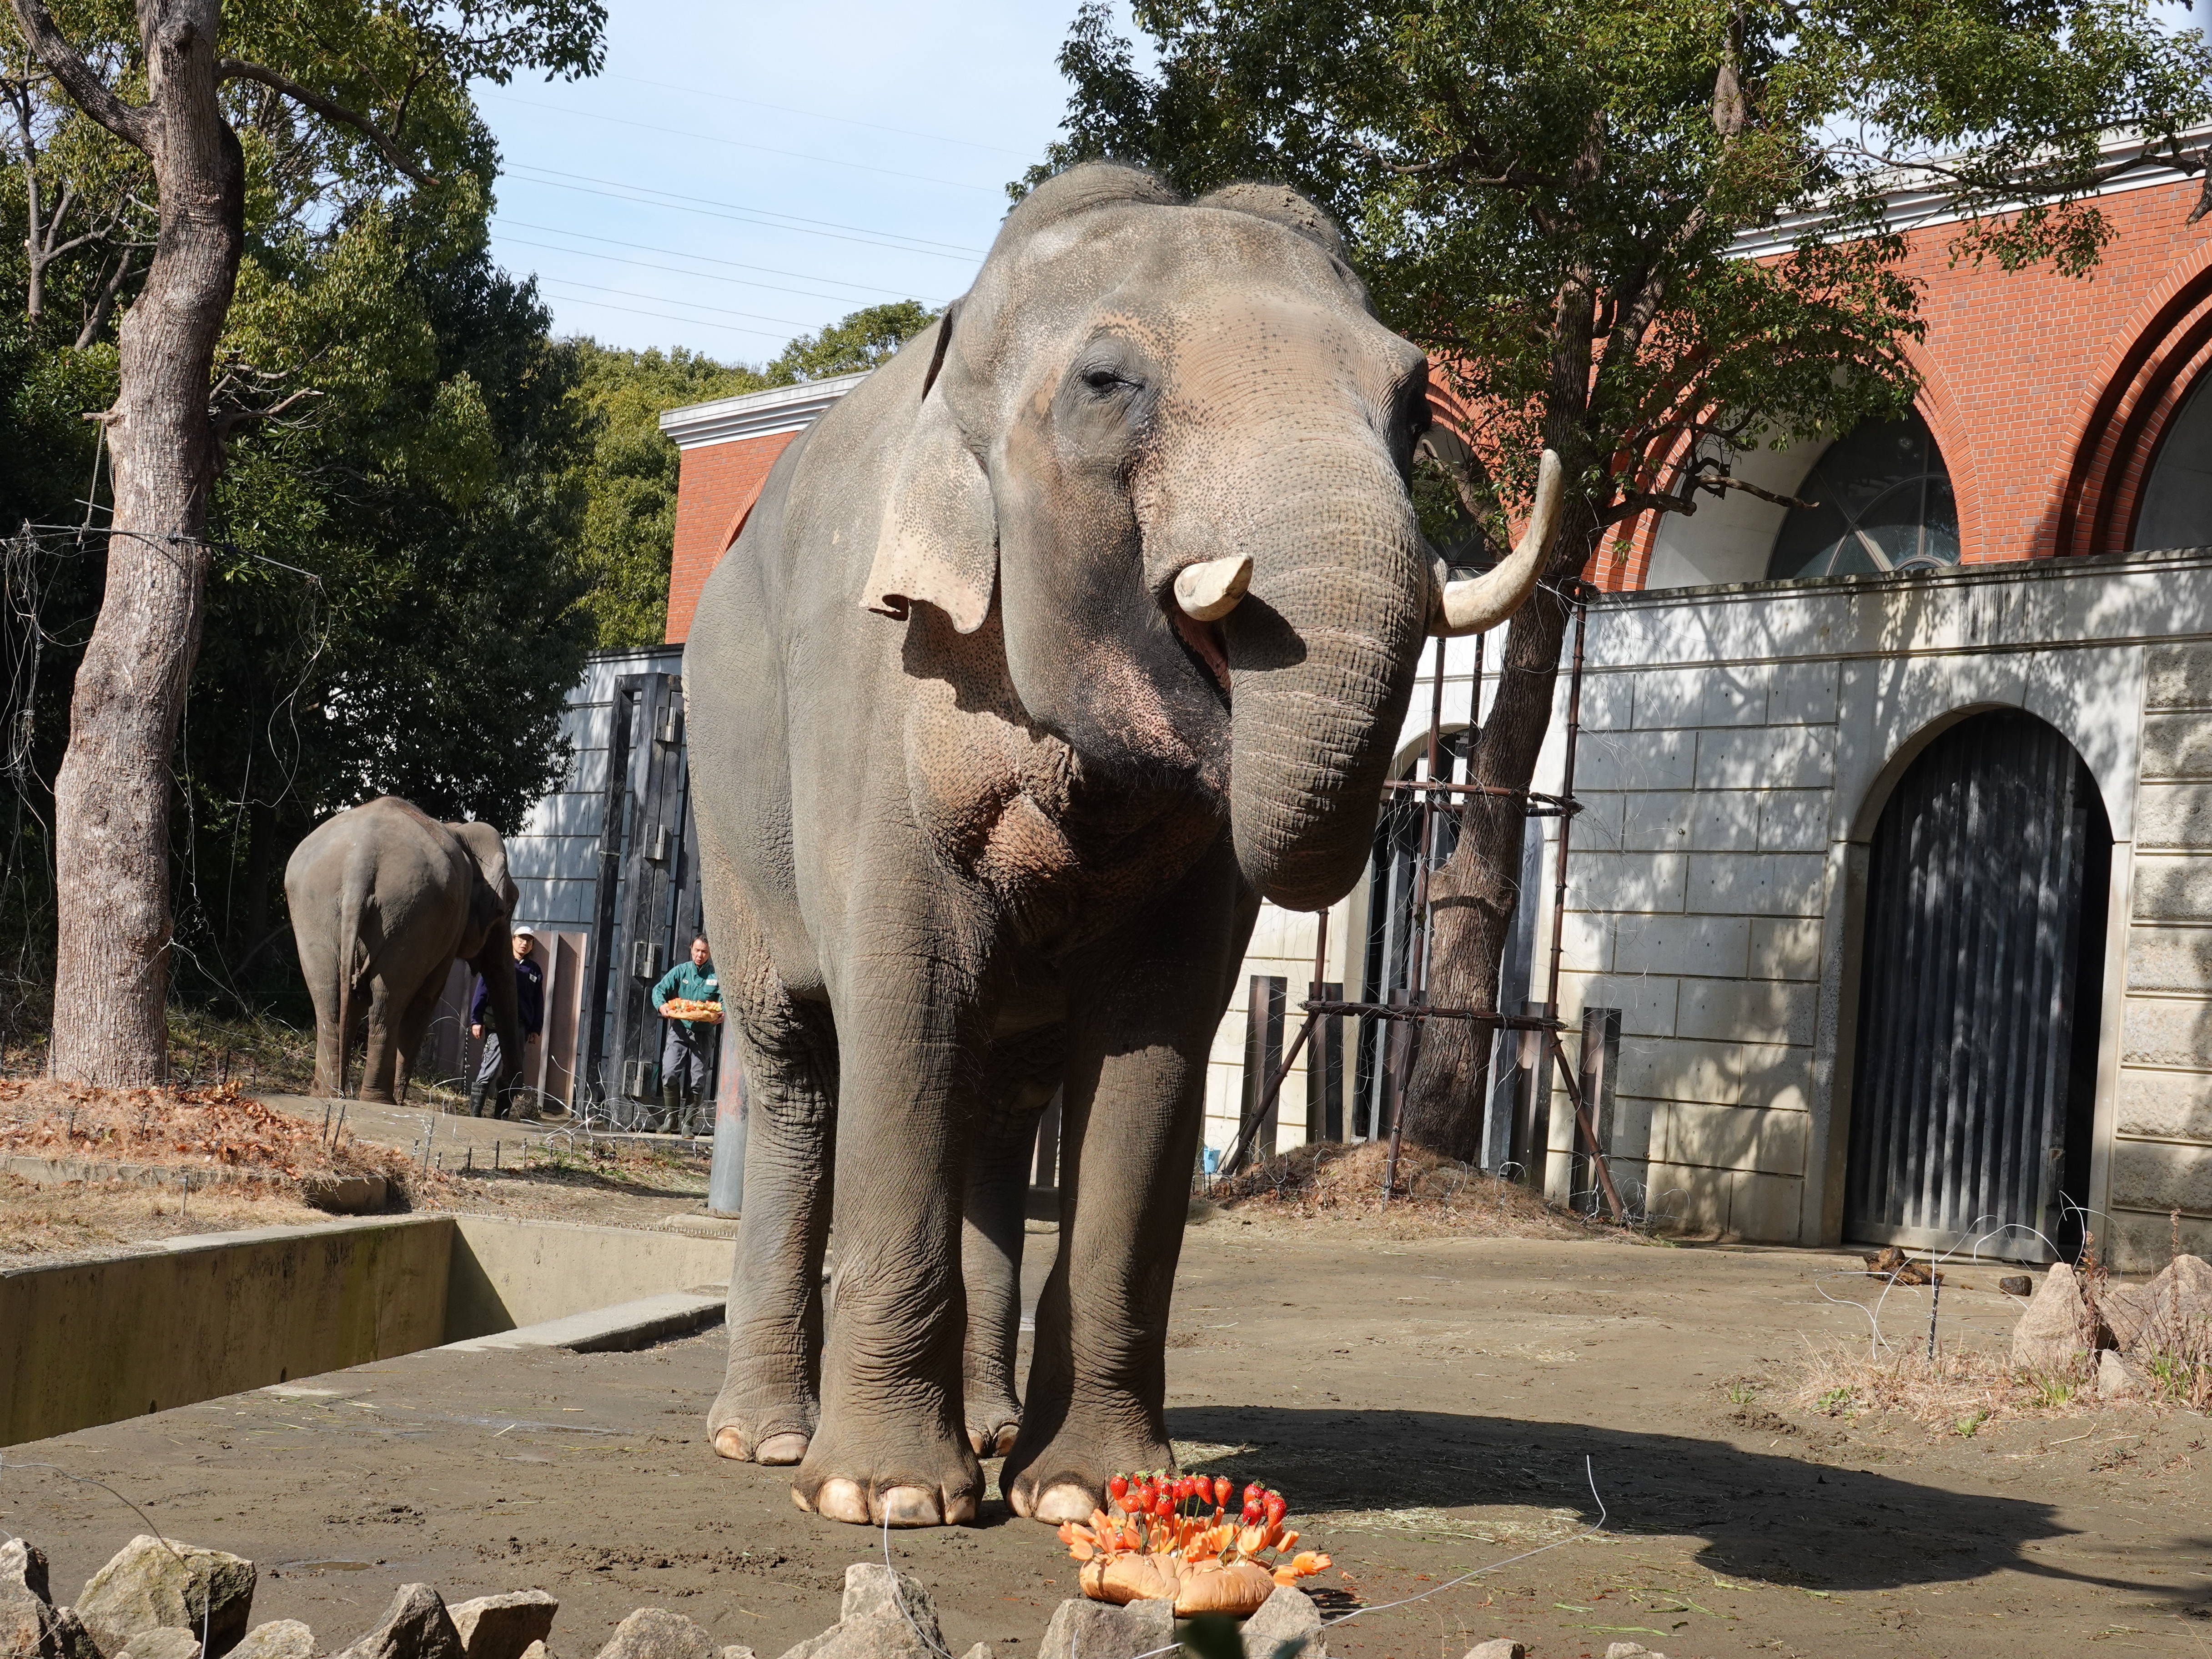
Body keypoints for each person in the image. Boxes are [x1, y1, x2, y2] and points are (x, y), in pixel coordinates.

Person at [470, 926, 545, 1119]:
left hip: (521, 1028)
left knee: (513, 1074)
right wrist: (476, 1020)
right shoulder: (499, 962)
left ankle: (501, 1117)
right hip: (498, 1025)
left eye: (529, 940)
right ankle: (475, 1115)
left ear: (532, 945)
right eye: (521, 939)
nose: (524, 943)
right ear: (512, 940)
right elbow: (482, 992)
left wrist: (536, 1028)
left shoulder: (534, 970)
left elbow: (538, 1002)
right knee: (489, 1070)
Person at [652, 934, 720, 1133]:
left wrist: (721, 1014)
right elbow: (659, 990)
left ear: (710, 953)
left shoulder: (715, 976)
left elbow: (724, 1002)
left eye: (705, 952)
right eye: (697, 950)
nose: (700, 955)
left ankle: (688, 1124)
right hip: (680, 1029)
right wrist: (662, 1005)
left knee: (697, 1079)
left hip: (704, 1033)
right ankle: (671, 1118)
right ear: (691, 948)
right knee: (669, 1072)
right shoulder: (681, 971)